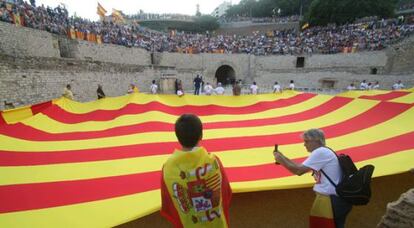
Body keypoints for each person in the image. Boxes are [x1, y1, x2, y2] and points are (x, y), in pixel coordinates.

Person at [160, 114, 232, 227]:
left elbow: (168, 204)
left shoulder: (169, 168)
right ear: (201, 135)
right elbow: (226, 192)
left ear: (178, 138)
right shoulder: (213, 162)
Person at [273, 129, 352, 228]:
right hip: (332, 200)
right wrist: (282, 157)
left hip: (331, 200)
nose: (304, 145)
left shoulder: (321, 152)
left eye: (306, 141)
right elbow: (299, 166)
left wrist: (281, 160)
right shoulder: (324, 151)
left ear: (316, 140)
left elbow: (298, 171)